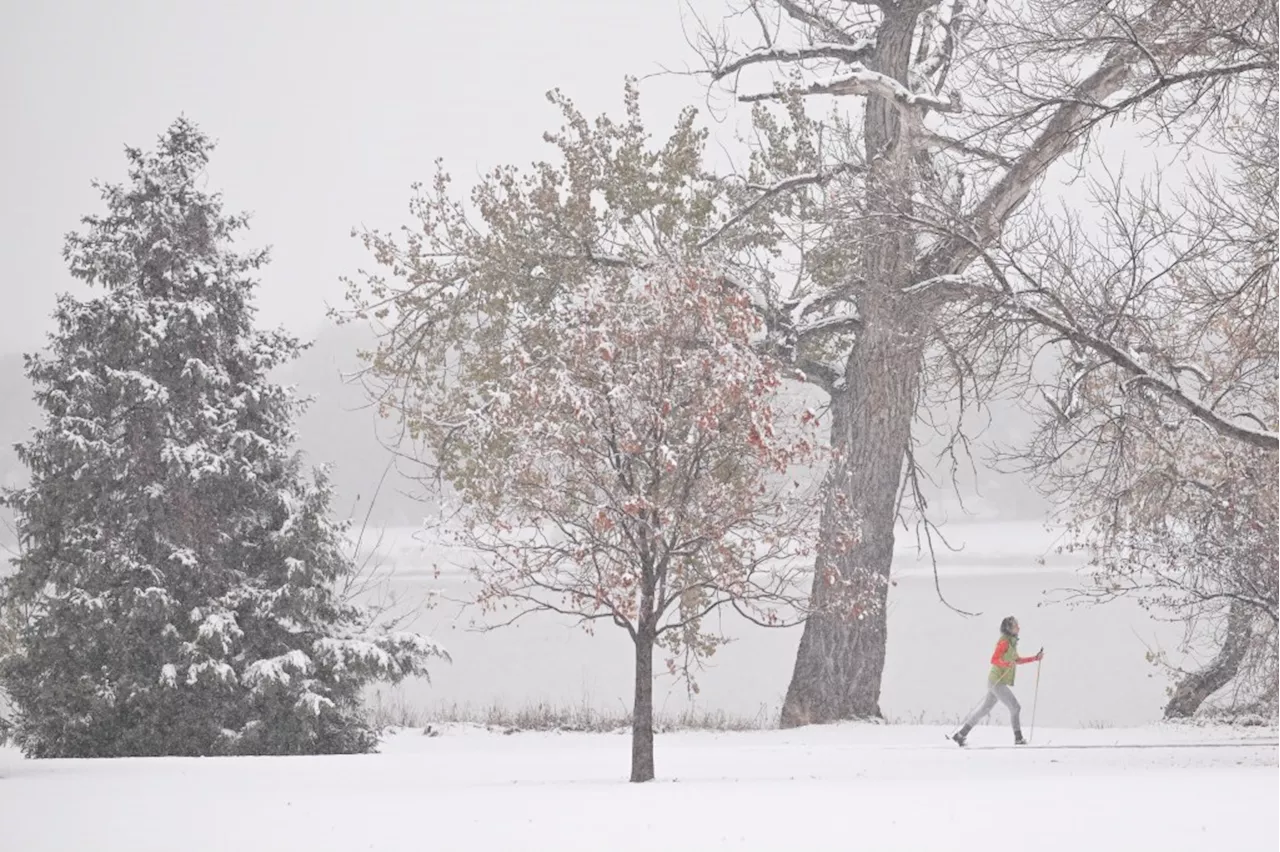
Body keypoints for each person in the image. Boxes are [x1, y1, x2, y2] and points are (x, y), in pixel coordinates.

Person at [950, 616, 1043, 747]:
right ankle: (1018, 738)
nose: (1019, 627)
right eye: (1016, 625)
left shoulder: (1012, 643)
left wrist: (1035, 658)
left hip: (997, 682)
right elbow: (994, 659)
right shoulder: (1004, 642)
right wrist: (1005, 664)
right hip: (996, 681)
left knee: (984, 710)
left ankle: (961, 735)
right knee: (1015, 707)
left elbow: (1017, 660)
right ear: (1009, 628)